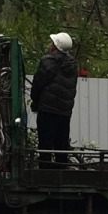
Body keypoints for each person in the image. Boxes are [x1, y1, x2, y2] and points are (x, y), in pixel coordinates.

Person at [30, 32, 78, 168]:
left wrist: (35, 101)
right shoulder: (72, 65)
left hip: (47, 110)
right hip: (64, 112)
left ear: (55, 46)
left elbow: (38, 84)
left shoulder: (48, 62)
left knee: (45, 144)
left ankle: (45, 173)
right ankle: (61, 173)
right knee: (61, 145)